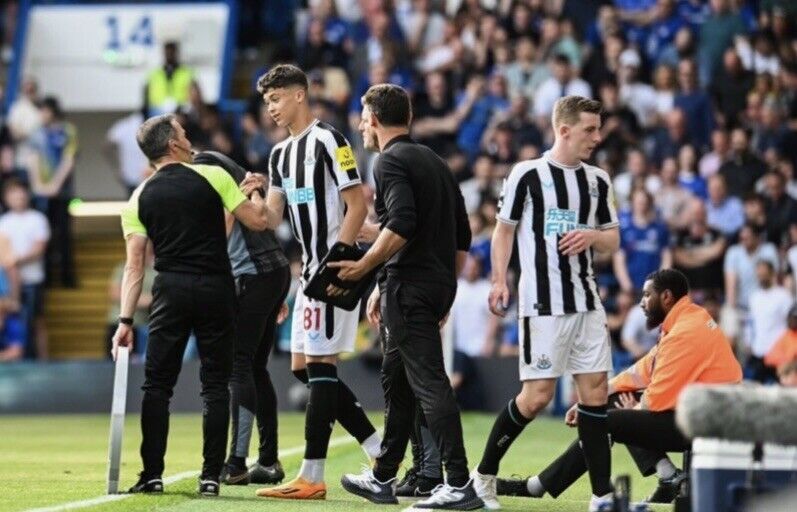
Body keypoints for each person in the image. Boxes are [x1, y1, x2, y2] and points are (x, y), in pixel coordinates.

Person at [333, 83, 481, 510]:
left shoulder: (389, 159)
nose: (361, 125)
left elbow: (401, 223)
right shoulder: (434, 160)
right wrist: (445, 290)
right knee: (396, 383)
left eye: (363, 117)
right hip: (425, 285)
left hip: (409, 288)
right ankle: (382, 477)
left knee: (429, 383)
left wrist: (365, 267)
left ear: (375, 120)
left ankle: (457, 483)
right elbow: (463, 235)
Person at [470, 95, 620, 512]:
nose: (597, 136)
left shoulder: (598, 180)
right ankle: (482, 478)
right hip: (543, 304)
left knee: (595, 395)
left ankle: (602, 496)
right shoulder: (527, 174)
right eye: (590, 129)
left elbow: (612, 238)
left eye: (598, 127)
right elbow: (503, 232)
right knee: (536, 397)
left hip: (587, 302)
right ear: (564, 129)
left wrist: (592, 237)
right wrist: (500, 280)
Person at [112, 113, 273, 496]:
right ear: (173, 145)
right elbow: (258, 221)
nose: (189, 139)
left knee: (157, 385)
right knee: (215, 385)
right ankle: (210, 477)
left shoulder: (138, 197)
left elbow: (135, 268)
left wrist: (124, 321)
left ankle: (151, 474)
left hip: (170, 291)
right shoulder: (214, 177)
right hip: (216, 288)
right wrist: (254, 190)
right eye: (184, 134)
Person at [497, 269, 743, 505]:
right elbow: (644, 370)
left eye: (647, 295)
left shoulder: (684, 333)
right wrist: (595, 398)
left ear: (666, 297)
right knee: (611, 404)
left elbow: (654, 401)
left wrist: (632, 409)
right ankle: (669, 477)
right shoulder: (688, 318)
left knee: (603, 423)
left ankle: (535, 487)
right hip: (705, 415)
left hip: (710, 425)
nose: (642, 303)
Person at [250, 64, 381, 501]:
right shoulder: (279, 155)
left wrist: (338, 261)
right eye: (266, 101)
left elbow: (357, 206)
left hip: (331, 267)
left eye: (276, 98)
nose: (270, 107)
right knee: (303, 368)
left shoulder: (331, 140)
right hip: (307, 272)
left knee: (321, 367)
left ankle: (312, 475)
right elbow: (270, 219)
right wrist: (251, 193)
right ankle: (379, 450)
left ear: (300, 95)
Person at [191, 150, 291, 487]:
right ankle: (268, 460)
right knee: (254, 367)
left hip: (252, 274)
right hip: (270, 271)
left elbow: (223, 228)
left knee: (239, 364)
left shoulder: (204, 167)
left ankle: (235, 462)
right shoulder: (220, 165)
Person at [28, 97, 78, 287]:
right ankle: (47, 278)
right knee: (43, 235)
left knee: (64, 234)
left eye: (43, 111)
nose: (41, 115)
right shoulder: (36, 132)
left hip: (62, 192)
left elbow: (69, 159)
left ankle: (68, 277)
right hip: (41, 192)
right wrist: (37, 185)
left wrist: (55, 185)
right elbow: (32, 158)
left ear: (52, 111)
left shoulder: (67, 130)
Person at [0, 180, 50, 359]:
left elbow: (39, 248)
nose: (18, 198)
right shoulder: (3, 222)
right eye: (14, 195)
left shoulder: (37, 219)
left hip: (32, 280)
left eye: (21, 194)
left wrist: (15, 260)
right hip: (7, 281)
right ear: (6, 198)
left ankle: (42, 361)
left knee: (35, 321)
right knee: (15, 321)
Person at [747, 260, 792, 383]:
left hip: (778, 353)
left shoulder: (783, 296)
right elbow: (751, 323)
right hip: (758, 351)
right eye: (759, 275)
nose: (761, 277)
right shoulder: (754, 297)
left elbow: (791, 324)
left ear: (772, 273)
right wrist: (749, 342)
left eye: (764, 274)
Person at [144, 41, 196, 117]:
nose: (170, 55)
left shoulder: (187, 73)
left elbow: (192, 95)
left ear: (176, 53)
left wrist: (180, 106)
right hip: (158, 111)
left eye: (172, 52)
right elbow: (147, 97)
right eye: (167, 53)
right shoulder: (154, 74)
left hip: (180, 111)